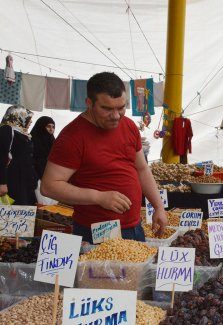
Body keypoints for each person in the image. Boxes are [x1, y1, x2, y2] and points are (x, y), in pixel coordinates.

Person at [41, 72, 167, 243]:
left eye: (121, 107)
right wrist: (99, 197)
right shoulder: (72, 137)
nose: (116, 116)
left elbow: (142, 168)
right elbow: (49, 187)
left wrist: (158, 206)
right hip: (95, 232)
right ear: (89, 103)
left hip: (134, 227)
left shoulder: (129, 126)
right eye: (107, 109)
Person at [0, 105, 37, 205]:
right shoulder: (7, 130)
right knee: (10, 214)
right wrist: (2, 183)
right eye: (28, 118)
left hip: (22, 180)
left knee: (21, 213)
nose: (31, 122)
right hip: (12, 180)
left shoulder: (23, 133)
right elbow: (2, 156)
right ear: (17, 116)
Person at [31, 116, 55, 180]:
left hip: (50, 176)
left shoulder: (53, 141)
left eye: (53, 127)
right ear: (41, 126)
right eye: (48, 126)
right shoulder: (31, 140)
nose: (51, 129)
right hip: (34, 177)